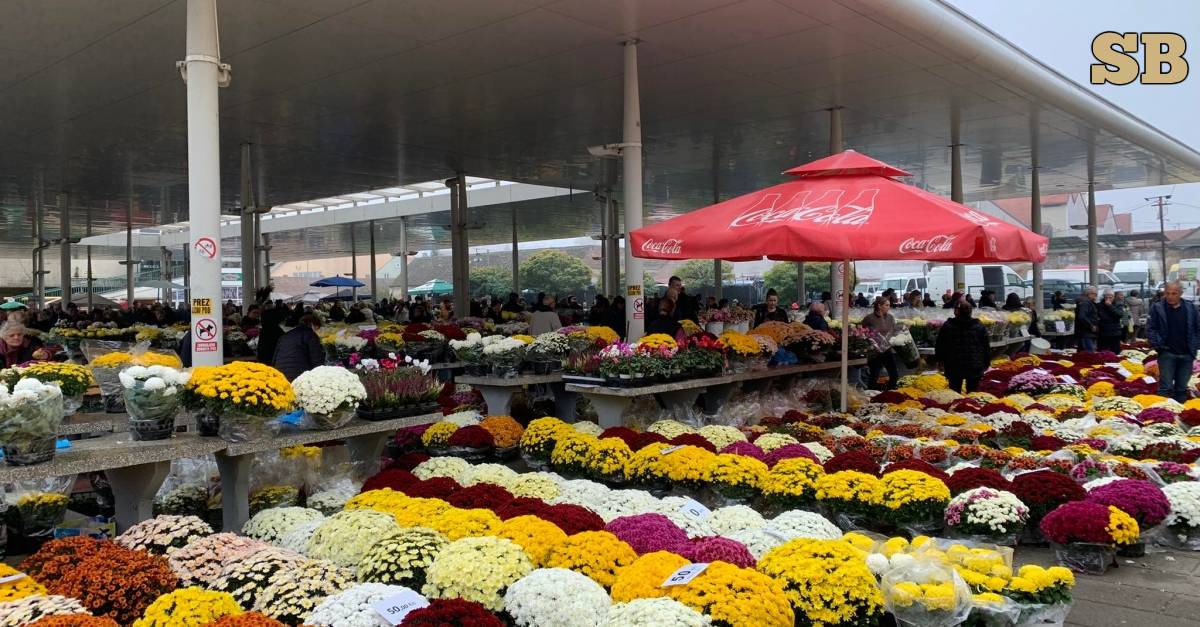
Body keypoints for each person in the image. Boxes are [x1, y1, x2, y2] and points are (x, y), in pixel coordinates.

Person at [1147, 281, 1200, 403]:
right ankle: (1162, 411)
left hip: (1187, 354)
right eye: (1168, 293)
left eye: (1174, 293)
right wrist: (1158, 345)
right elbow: (1150, 328)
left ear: (1180, 293)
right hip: (1167, 353)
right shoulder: (1158, 307)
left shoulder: (1190, 307)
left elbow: (1197, 328)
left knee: (1181, 388)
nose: (1170, 296)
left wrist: (1195, 345)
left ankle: (1180, 410)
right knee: (1165, 387)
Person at [935, 301, 990, 392]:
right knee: (973, 393)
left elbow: (940, 345)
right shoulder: (979, 326)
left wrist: (940, 360)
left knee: (954, 392)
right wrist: (986, 362)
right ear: (970, 311)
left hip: (953, 365)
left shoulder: (948, 325)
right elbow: (986, 346)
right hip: (974, 365)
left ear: (956, 312)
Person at [860, 297, 899, 390]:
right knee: (875, 374)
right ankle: (871, 393)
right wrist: (867, 342)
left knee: (894, 374)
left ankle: (890, 392)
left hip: (887, 349)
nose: (889, 307)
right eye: (886, 305)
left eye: (889, 305)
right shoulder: (869, 318)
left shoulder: (890, 317)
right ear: (879, 306)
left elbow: (894, 330)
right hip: (874, 351)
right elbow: (861, 331)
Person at [273, 314, 325, 381]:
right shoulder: (310, 334)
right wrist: (321, 375)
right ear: (312, 324)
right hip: (298, 374)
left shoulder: (285, 336)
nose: (316, 331)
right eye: (316, 328)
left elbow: (275, 357)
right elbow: (316, 358)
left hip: (280, 372)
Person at [1074, 287, 1100, 352]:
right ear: (1089, 294)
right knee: (1089, 353)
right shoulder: (1086, 303)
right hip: (1086, 333)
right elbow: (1082, 316)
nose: (1096, 296)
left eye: (1096, 294)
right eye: (1094, 294)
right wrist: (1091, 326)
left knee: (1084, 353)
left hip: (1086, 332)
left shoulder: (1088, 302)